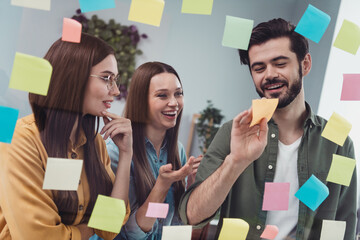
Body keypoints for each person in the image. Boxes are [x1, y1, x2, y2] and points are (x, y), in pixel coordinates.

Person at [179, 18, 357, 239]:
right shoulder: (231, 132)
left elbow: (344, 223)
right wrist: (235, 161)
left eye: (280, 63)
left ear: (305, 64)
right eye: (259, 68)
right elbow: (192, 215)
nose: (269, 74)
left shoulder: (338, 141)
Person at [0, 33, 133, 240]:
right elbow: (37, 236)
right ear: (73, 77)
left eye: (115, 80)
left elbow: (108, 227)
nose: (115, 90)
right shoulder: (19, 139)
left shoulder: (95, 142)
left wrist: (126, 154)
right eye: (107, 78)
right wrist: (87, 229)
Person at [99, 62, 202, 240]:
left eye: (178, 94)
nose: (174, 103)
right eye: (162, 95)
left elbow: (174, 225)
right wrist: (161, 186)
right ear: (141, 102)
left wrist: (192, 187)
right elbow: (128, 233)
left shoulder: (178, 150)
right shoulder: (114, 152)